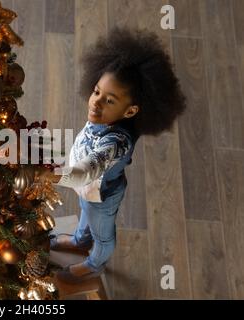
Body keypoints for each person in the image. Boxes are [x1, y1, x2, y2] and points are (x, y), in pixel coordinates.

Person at [41, 27, 187, 283]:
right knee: (85, 214)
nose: (96, 102)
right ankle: (79, 240)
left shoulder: (115, 143)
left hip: (102, 194)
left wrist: (45, 174)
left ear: (129, 112)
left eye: (109, 100)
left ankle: (95, 263)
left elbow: (84, 172)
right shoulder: (102, 119)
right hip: (88, 191)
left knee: (103, 233)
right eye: (96, 91)